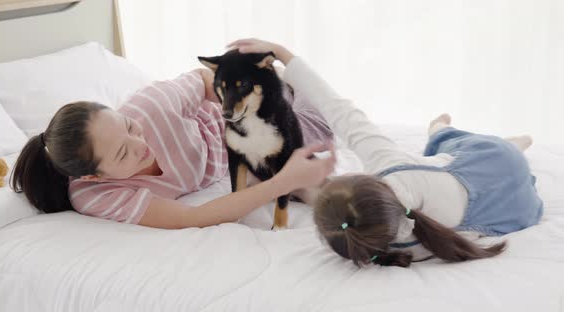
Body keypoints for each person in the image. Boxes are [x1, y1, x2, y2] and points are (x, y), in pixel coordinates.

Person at [227, 38, 544, 267]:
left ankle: (481, 138)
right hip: (491, 159)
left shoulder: (396, 247)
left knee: (444, 146)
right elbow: (342, 113)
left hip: (516, 207)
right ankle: (493, 139)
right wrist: (284, 54)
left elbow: (327, 204)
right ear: (367, 180)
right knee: (448, 142)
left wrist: (287, 185)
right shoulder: (393, 168)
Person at [11, 60, 335, 229]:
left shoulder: (150, 107)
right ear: (95, 175)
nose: (139, 143)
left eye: (128, 127)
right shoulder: (95, 194)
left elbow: (206, 80)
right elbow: (192, 218)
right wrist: (284, 181)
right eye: (123, 153)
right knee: (305, 177)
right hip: (231, 157)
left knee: (318, 121)